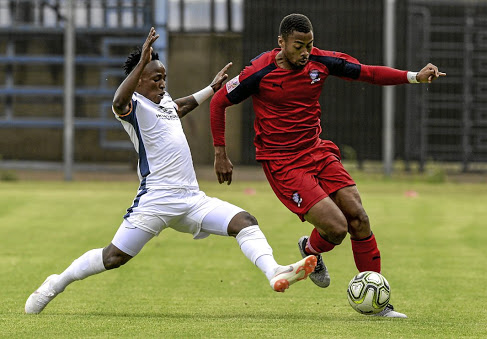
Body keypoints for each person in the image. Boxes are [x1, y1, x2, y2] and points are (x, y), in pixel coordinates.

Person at [25, 27, 317, 315]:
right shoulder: (132, 106)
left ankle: (274, 271)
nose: (163, 83)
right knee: (113, 257)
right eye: (156, 78)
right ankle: (56, 283)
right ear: (139, 80)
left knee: (244, 221)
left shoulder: (163, 102)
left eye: (164, 77)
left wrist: (211, 89)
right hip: (156, 200)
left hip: (191, 199)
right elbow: (117, 101)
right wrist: (142, 61)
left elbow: (180, 106)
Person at [209, 13, 446, 318]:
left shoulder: (321, 62)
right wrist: (220, 153)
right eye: (298, 46)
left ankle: (377, 307)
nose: (305, 52)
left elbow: (369, 73)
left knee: (358, 218)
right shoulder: (259, 70)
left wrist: (414, 76)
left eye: (309, 44)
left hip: (317, 151)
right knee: (337, 228)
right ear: (281, 43)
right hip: (283, 164)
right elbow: (219, 102)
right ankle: (312, 250)